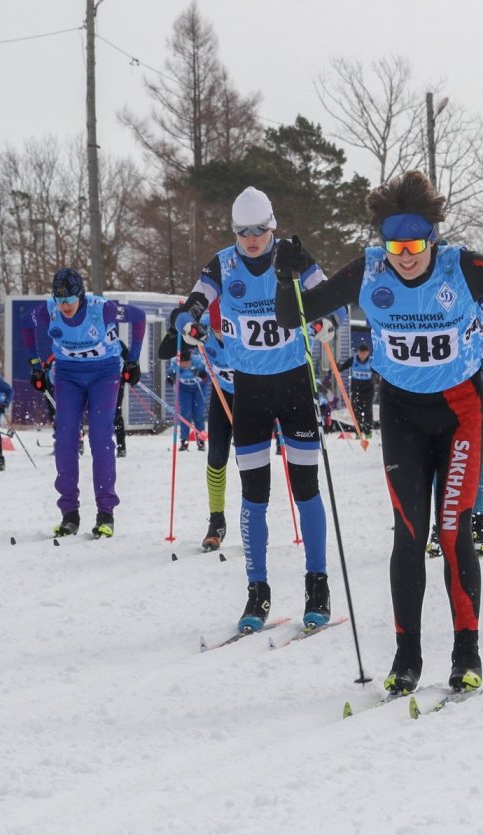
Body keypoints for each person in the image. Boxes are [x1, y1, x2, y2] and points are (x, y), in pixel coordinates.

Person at [273, 170, 483, 693]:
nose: (405, 256)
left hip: (461, 415)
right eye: (395, 244)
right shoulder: (370, 270)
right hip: (403, 416)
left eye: (415, 243)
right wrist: (285, 273)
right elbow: (295, 312)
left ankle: (466, 653)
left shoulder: (463, 268)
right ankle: (406, 658)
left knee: (452, 533)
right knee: (408, 535)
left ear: (433, 237)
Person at [166, 186, 343, 634]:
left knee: (306, 488)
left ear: (272, 227)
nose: (250, 240)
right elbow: (191, 305)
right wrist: (188, 324)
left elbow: (333, 303)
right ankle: (257, 591)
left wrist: (325, 323)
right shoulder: (222, 263)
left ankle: (317, 584)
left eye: (258, 231)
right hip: (250, 391)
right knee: (254, 495)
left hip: (296, 385)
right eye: (242, 232)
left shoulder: (293, 256)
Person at [23, 268, 147, 538]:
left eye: (69, 299)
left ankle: (106, 512)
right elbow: (25, 322)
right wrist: (35, 365)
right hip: (68, 374)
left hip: (104, 373)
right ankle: (69, 513)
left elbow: (139, 317)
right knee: (65, 436)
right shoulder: (50, 310)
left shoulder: (103, 310)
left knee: (100, 437)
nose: (65, 305)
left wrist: (133, 360)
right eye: (60, 299)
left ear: (80, 295)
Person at [197, 307, 236, 551]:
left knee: (250, 460)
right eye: (216, 331)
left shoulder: (244, 324)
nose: (220, 335)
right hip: (221, 395)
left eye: (225, 330)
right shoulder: (202, 326)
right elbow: (167, 349)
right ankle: (217, 521)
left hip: (252, 398)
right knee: (216, 458)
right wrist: (180, 330)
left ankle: (254, 522)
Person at [166, 348, 208, 451]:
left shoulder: (198, 361)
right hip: (184, 390)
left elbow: (208, 375)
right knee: (185, 414)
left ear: (190, 359)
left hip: (198, 389)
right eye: (182, 362)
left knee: (198, 414)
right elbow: (170, 375)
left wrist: (203, 374)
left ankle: (200, 440)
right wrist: (171, 378)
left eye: (187, 362)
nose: (184, 364)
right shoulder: (175, 362)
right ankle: (184, 440)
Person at [338, 340, 378, 438]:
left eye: (364, 353)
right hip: (356, 389)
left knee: (367, 410)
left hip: (368, 389)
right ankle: (358, 432)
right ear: (358, 352)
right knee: (356, 411)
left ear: (368, 353)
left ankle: (368, 432)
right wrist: (336, 367)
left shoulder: (371, 361)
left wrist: (379, 378)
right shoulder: (353, 359)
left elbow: (379, 372)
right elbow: (342, 367)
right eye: (361, 353)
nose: (362, 355)